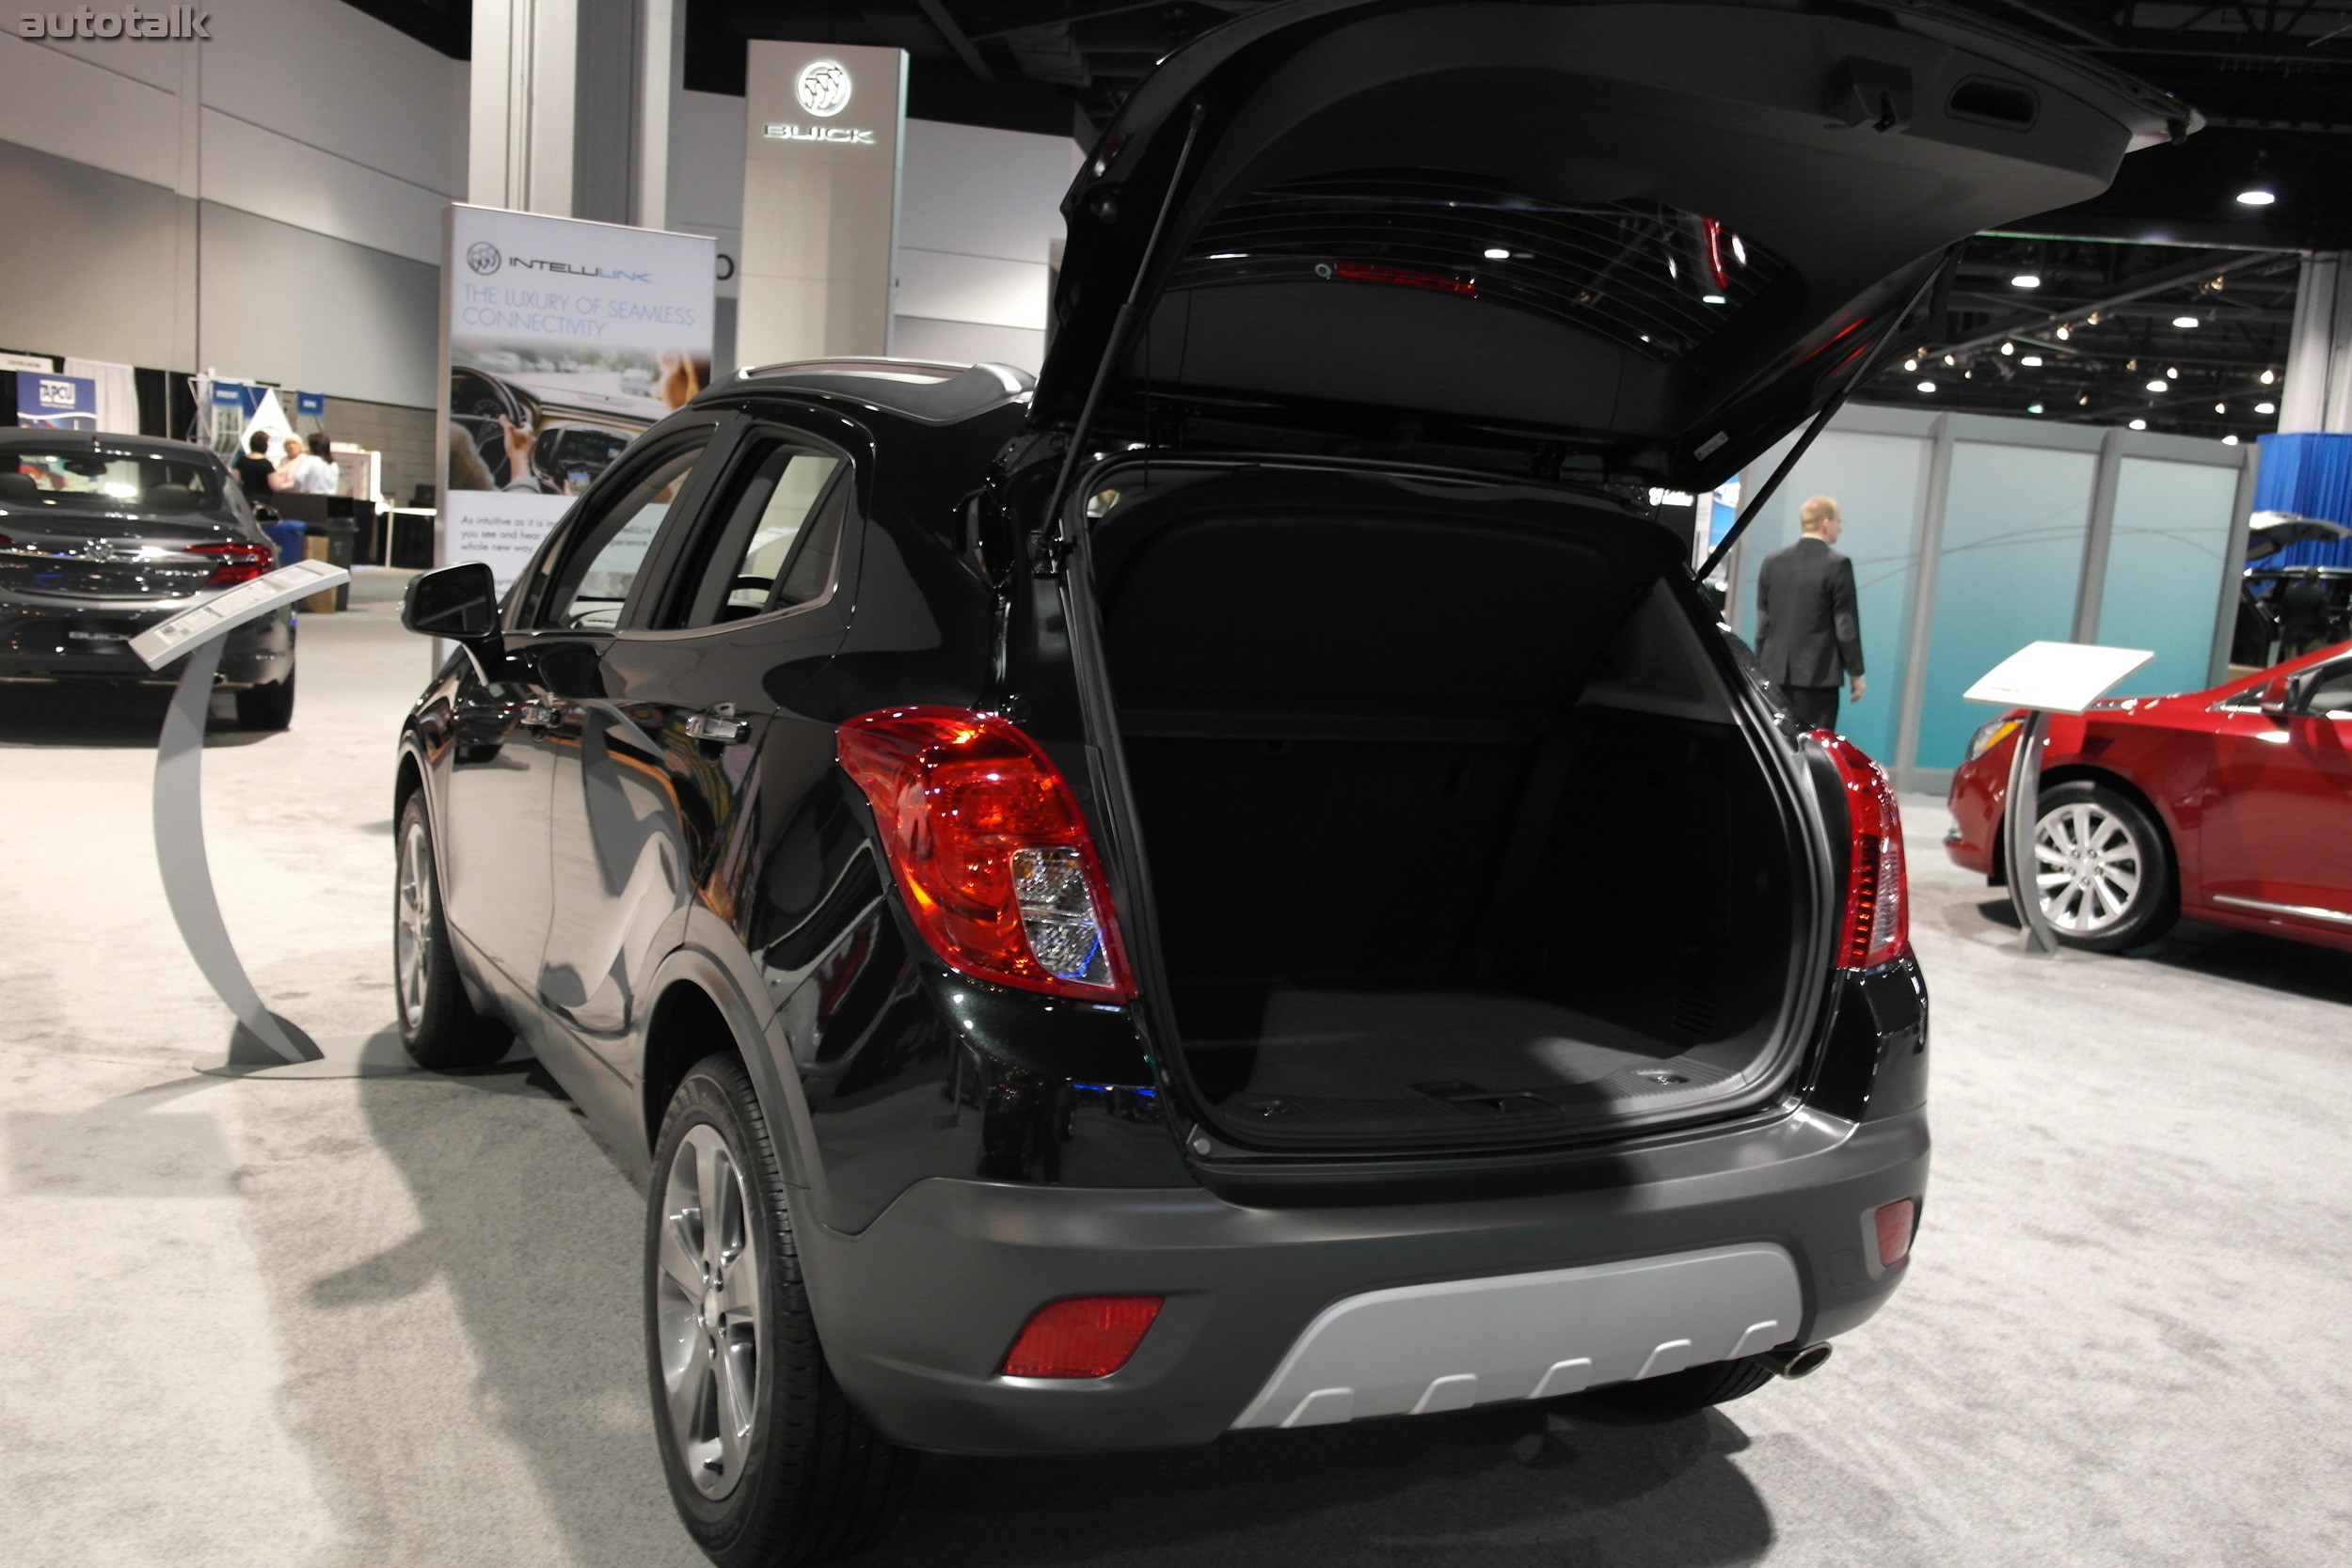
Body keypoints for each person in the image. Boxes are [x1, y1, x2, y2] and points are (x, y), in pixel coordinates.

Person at [1755, 494, 1866, 734]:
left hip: (1773, 675)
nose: (1840, 527)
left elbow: (1763, 622)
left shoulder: (1772, 562)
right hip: (1818, 677)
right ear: (1825, 522)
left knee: (1777, 744)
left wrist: (1760, 667)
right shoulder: (1837, 564)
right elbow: (1844, 624)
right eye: (1839, 521)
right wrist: (1856, 672)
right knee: (1813, 748)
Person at [2278, 567, 2332, 659]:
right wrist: (2324, 634)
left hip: (2291, 637)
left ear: (2304, 578)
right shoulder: (2321, 595)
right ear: (2317, 580)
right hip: (2312, 637)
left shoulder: (2290, 593)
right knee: (2310, 666)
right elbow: (2323, 618)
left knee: (2290, 667)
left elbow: (2283, 615)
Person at [270, 432, 340, 496]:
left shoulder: (310, 460)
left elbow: (298, 478)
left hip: (313, 498)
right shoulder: (333, 464)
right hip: (329, 498)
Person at [231, 431, 277, 504]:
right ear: (265, 446)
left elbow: (235, 479)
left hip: (246, 499)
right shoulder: (266, 464)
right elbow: (274, 485)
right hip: (264, 501)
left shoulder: (242, 460)